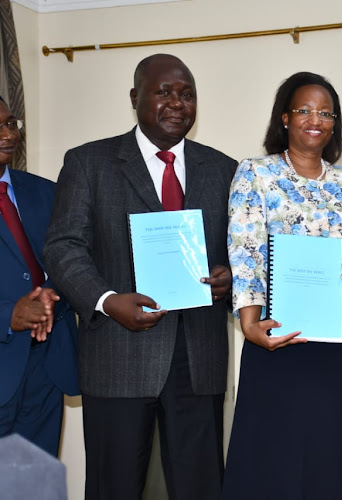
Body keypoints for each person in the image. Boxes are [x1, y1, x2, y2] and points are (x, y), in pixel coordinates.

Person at [43, 54, 237, 500]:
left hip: (199, 357)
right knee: (115, 488)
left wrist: (229, 280)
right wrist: (108, 300)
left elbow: (236, 252)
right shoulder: (89, 162)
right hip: (118, 356)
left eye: (187, 94)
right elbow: (63, 245)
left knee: (201, 487)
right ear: (135, 98)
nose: (177, 103)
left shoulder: (224, 169)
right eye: (164, 91)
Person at [223, 71, 342, 500]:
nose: (316, 119)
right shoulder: (256, 173)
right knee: (276, 459)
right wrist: (250, 325)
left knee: (337, 456)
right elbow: (245, 251)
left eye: (326, 113)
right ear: (285, 118)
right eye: (305, 110)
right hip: (279, 335)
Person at [0, 97, 78, 457]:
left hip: (47, 365)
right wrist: (8, 316)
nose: (8, 135)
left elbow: (72, 256)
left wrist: (50, 292)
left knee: (36, 486)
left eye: (11, 123)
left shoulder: (46, 191)